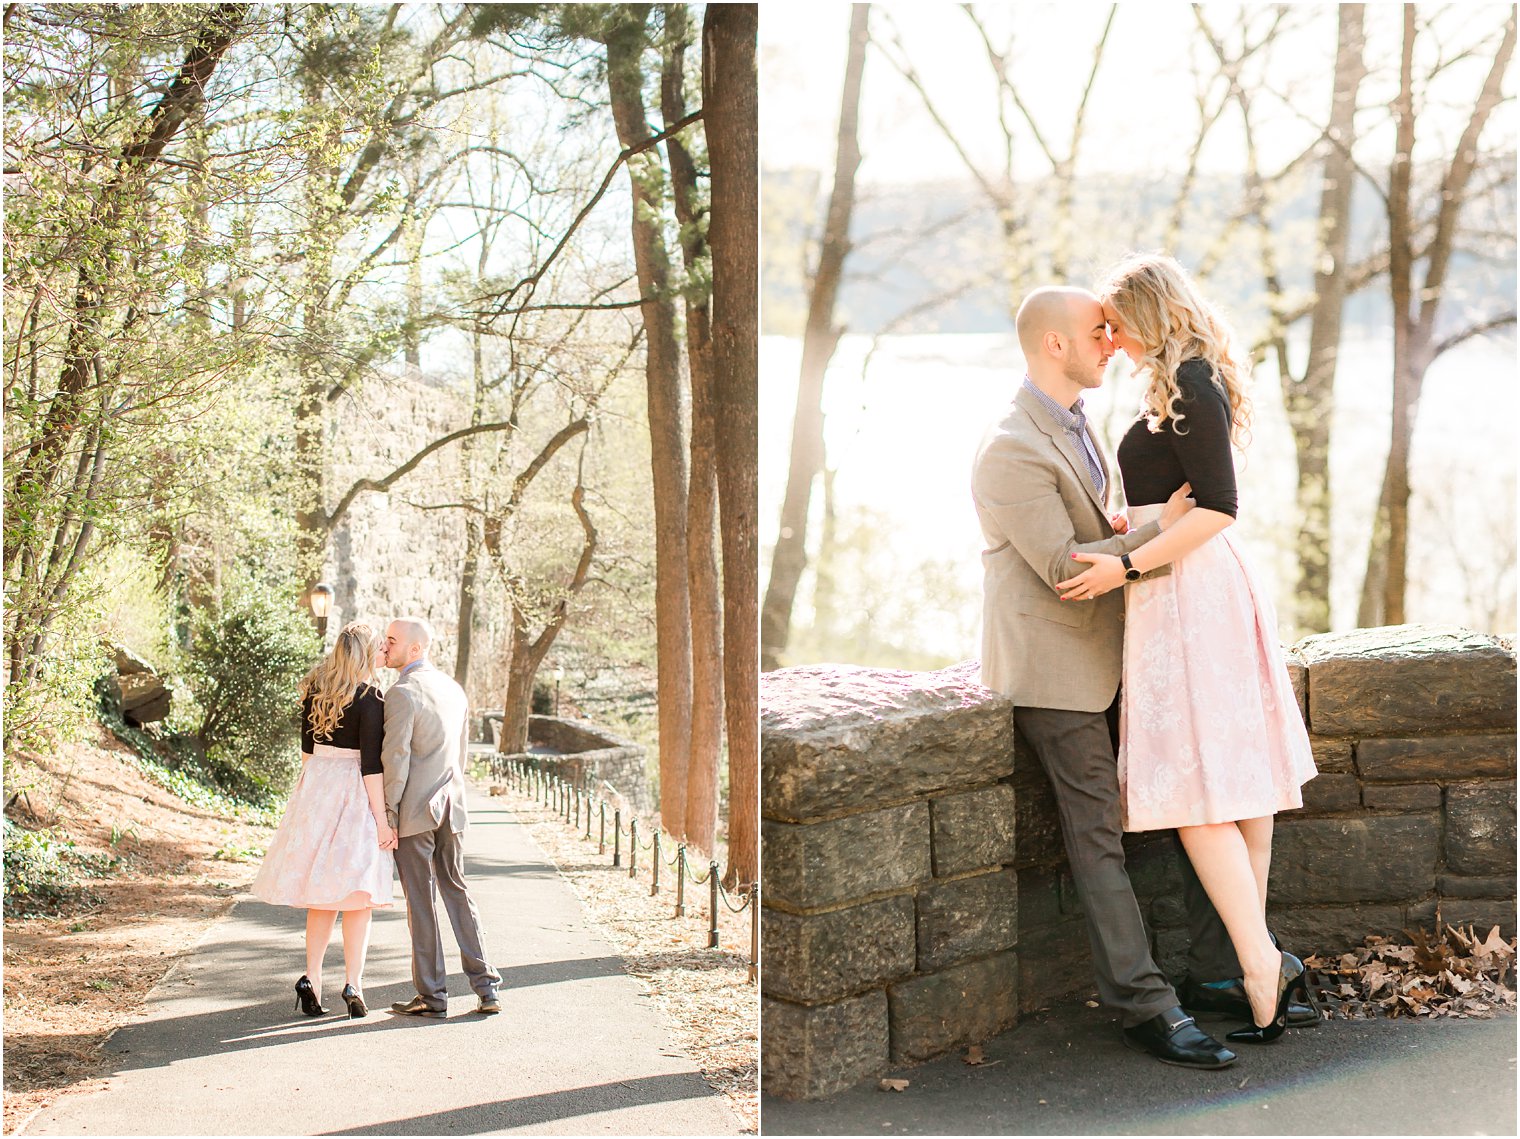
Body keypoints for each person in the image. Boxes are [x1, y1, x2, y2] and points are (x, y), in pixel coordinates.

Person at [972, 285, 1237, 1070]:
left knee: (1188, 801)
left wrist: (1134, 524)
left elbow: (1092, 530)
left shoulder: (1075, 425)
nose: (1113, 342)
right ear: (1055, 344)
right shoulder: (1009, 447)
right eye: (1098, 332)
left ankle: (1221, 969)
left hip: (1120, 651)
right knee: (1099, 838)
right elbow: (1064, 567)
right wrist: (1162, 524)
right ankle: (1143, 1003)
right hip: (1056, 671)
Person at [1057, 252, 1319, 1043]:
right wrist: (1142, 523)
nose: (1110, 338)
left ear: (1149, 314)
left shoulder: (1194, 385)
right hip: (1183, 577)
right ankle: (1256, 962)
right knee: (1236, 787)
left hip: (1189, 591)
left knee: (1204, 791)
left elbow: (1222, 509)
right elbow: (1182, 501)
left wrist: (1129, 562)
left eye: (1116, 324)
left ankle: (1257, 965)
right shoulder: (1181, 384)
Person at [250, 621, 396, 1019]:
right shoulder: (371, 698)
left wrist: (310, 800)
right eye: (379, 648)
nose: (384, 652)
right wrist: (382, 822)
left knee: (322, 895)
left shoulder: (316, 690)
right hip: (353, 794)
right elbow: (371, 766)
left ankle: (311, 978)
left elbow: (307, 753)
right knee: (357, 896)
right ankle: (354, 982)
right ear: (366, 654)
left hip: (315, 789)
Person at [380, 617, 502, 1018]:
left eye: (393, 641)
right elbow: (461, 756)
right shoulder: (453, 688)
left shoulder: (401, 693)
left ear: (415, 649)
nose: (386, 646)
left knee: (421, 902)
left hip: (415, 811)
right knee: (458, 891)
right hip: (451, 804)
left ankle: (432, 997)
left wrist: (388, 812)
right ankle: (487, 989)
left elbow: (395, 759)